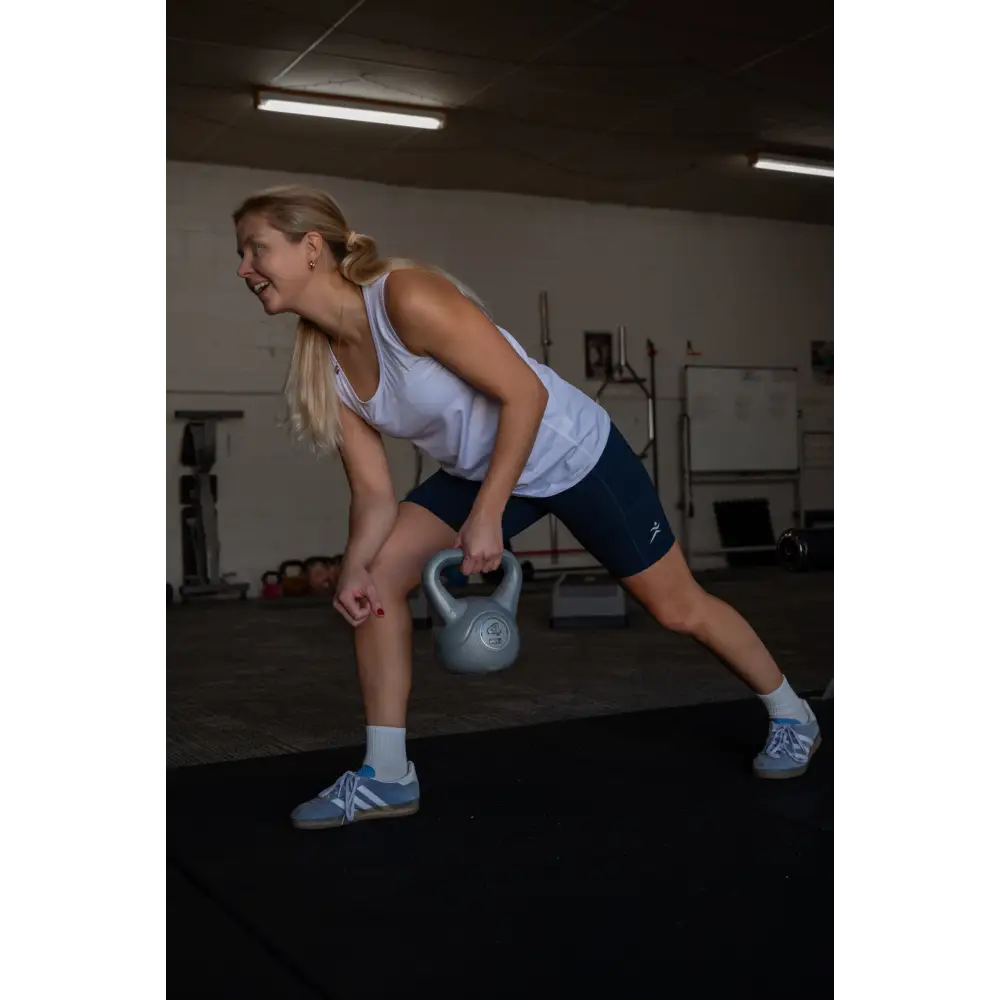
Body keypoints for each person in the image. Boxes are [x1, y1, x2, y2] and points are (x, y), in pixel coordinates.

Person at [232, 185, 823, 830]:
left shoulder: (404, 298)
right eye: (242, 254)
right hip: (477, 471)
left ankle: (792, 713)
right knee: (376, 582)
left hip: (571, 453)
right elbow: (373, 494)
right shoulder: (324, 366)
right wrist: (352, 567)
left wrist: (488, 515)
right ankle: (387, 776)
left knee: (678, 608)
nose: (244, 269)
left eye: (256, 249)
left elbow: (524, 394)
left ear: (310, 247)